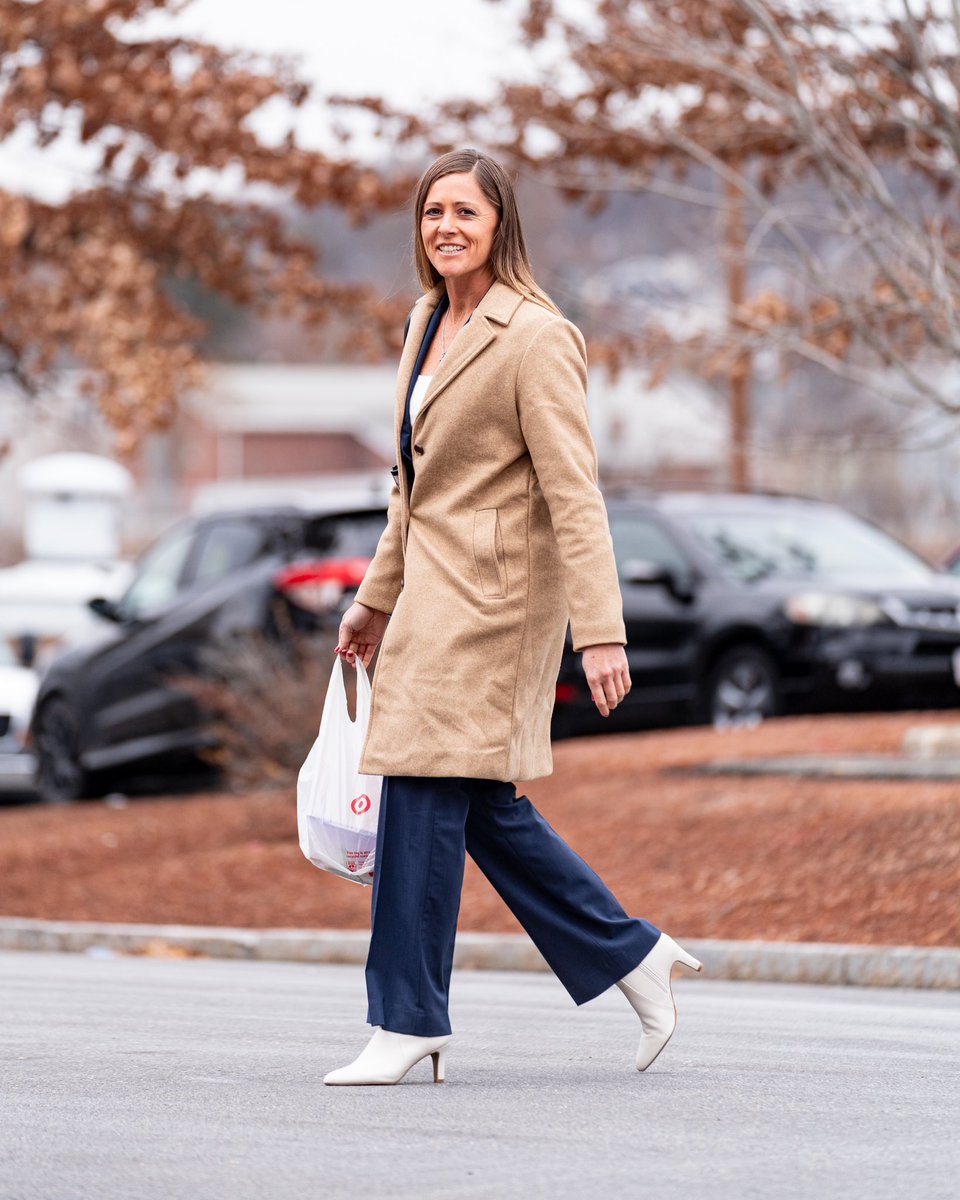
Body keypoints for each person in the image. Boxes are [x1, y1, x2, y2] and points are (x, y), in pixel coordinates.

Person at [325, 148, 701, 1087]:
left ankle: (407, 1020)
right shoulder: (423, 322)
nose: (446, 226)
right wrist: (374, 599)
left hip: (495, 607)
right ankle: (634, 955)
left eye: (466, 212)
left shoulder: (537, 336)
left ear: (502, 226)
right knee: (476, 801)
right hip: (428, 596)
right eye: (431, 212)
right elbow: (407, 491)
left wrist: (601, 629)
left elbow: (576, 494)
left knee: (418, 780)